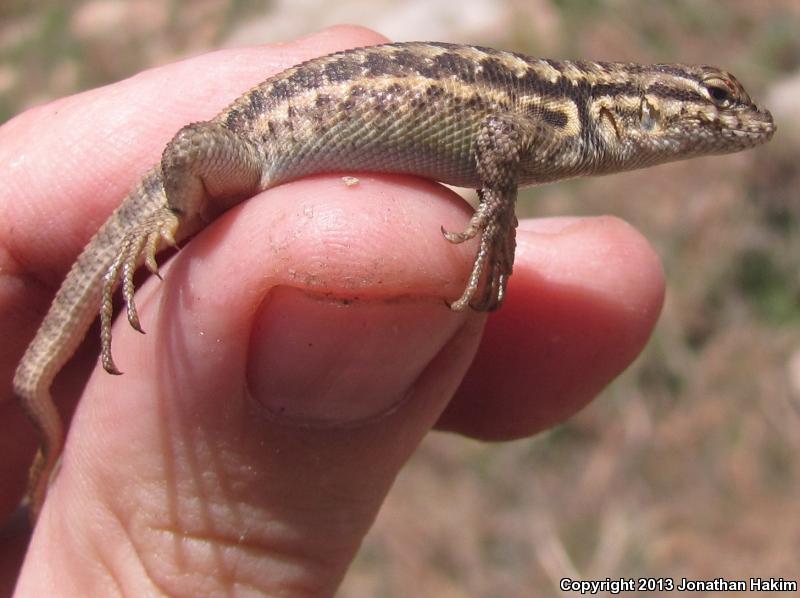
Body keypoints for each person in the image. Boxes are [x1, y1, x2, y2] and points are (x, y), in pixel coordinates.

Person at [1, 25, 664, 596]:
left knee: (39, 376)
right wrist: (498, 218)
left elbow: (495, 134)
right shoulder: (554, 113)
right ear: (633, 106)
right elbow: (494, 134)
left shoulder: (563, 114)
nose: (730, 120)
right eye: (714, 102)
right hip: (254, 144)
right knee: (190, 152)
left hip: (286, 154)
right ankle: (169, 222)